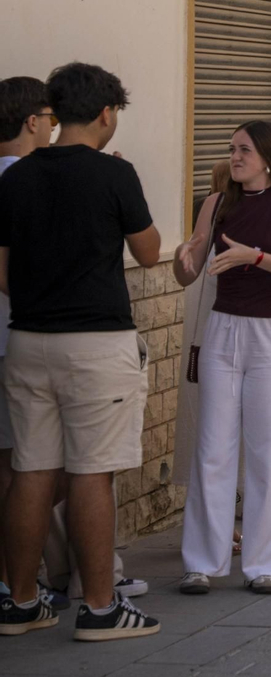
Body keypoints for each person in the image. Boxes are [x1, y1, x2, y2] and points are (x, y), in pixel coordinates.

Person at [0, 64, 161, 639]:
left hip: (27, 338)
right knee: (93, 472)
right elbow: (149, 252)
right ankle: (100, 608)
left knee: (30, 469)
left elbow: (4, 271)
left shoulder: (15, 178)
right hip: (96, 341)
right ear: (105, 113)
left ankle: (19, 601)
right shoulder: (113, 175)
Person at [175, 120, 271, 597]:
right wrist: (183, 259)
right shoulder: (216, 203)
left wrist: (254, 257)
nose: (234, 157)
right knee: (212, 446)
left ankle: (264, 563)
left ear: (268, 156)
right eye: (232, 148)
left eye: (244, 150)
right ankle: (201, 562)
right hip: (222, 330)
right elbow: (190, 270)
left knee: (268, 448)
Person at [0, 76, 52, 602]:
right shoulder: (29, 180)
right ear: (33, 120)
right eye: (51, 119)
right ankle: (22, 583)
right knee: (29, 468)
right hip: (23, 338)